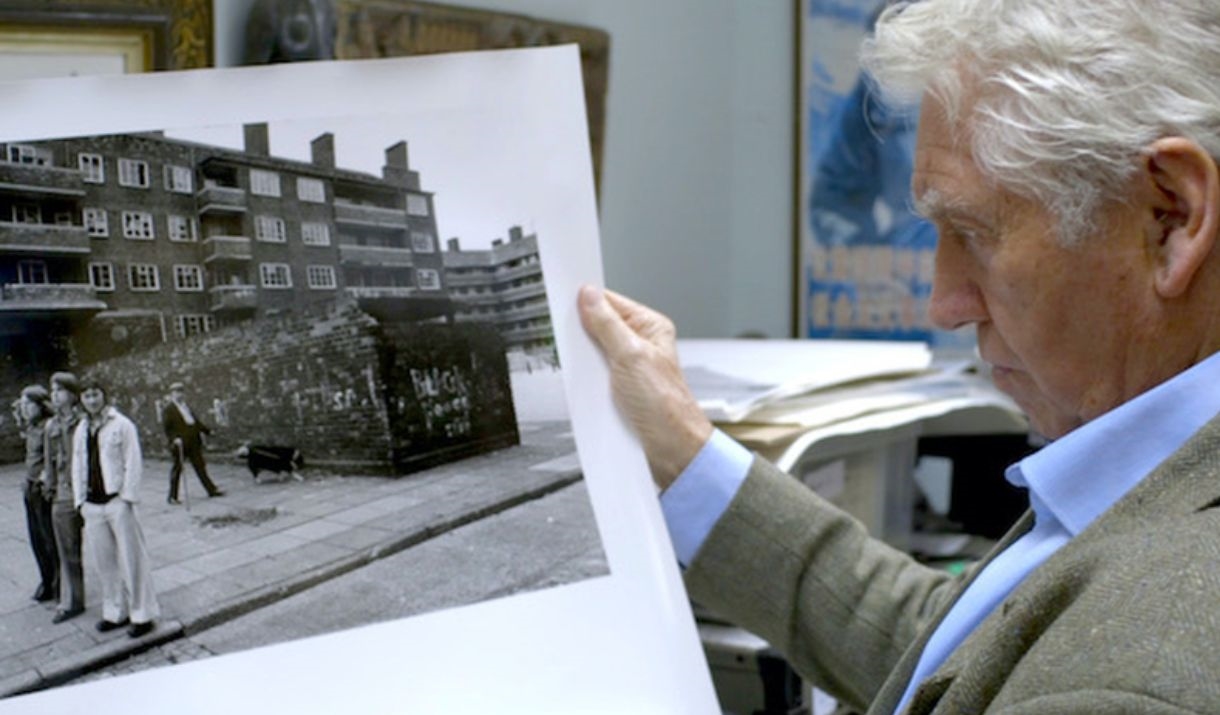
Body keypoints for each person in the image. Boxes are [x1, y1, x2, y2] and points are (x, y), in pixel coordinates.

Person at [579, 1, 1220, 713]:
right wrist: (684, 456)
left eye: (971, 230)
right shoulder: (1163, 487)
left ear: (1170, 216)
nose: (943, 304)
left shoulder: (1141, 676)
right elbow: (963, 651)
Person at [72, 378, 159, 638]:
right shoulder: (81, 429)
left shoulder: (122, 425)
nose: (91, 400)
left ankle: (142, 615)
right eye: (86, 396)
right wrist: (80, 502)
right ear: (82, 400)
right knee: (104, 562)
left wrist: (127, 498)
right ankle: (114, 612)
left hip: (117, 501)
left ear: (104, 396)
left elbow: (134, 462)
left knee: (132, 559)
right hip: (92, 505)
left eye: (95, 394)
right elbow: (77, 466)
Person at [41, 372, 85, 623]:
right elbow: (49, 461)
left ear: (71, 393)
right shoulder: (51, 426)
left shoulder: (83, 420)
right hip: (64, 493)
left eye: (58, 390)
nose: (54, 395)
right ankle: (72, 601)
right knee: (67, 550)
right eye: (52, 390)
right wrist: (51, 488)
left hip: (89, 491)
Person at [18, 385, 57, 603]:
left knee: (48, 538)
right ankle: (46, 579)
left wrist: (43, 480)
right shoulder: (31, 427)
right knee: (36, 539)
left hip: (42, 490)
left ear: (40, 405)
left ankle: (56, 583)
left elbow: (52, 458)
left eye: (27, 403)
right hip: (30, 488)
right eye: (21, 404)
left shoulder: (48, 428)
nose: (23, 408)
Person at [163, 381, 223, 503]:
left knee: (200, 466)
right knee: (177, 469)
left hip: (194, 441)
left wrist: (207, 431)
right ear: (172, 394)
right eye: (176, 392)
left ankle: (211, 490)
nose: (179, 395)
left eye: (181, 392)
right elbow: (167, 428)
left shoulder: (185, 406)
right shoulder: (169, 409)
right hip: (181, 444)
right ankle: (172, 497)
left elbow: (195, 422)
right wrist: (174, 439)